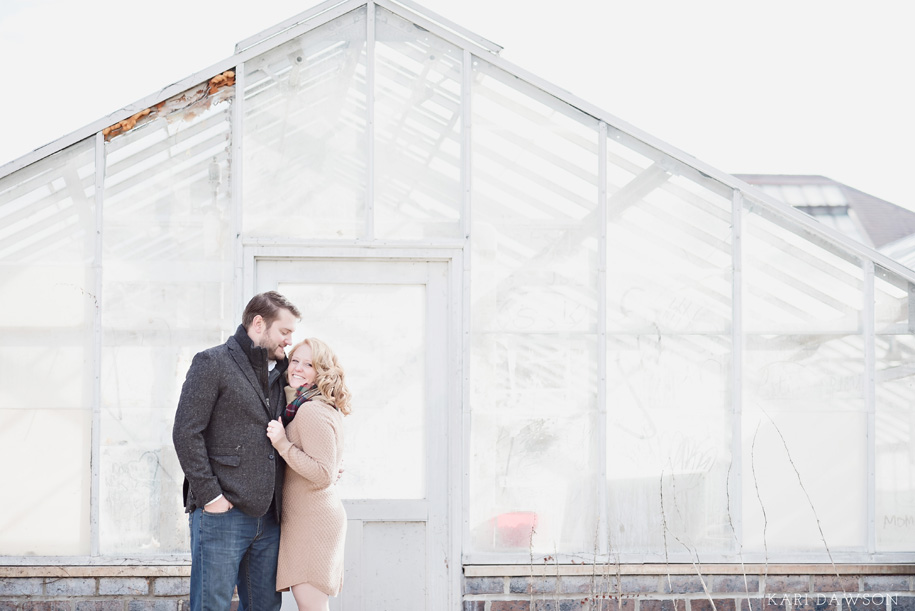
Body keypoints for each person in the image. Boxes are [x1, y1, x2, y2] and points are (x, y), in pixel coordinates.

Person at [173, 291, 300, 611]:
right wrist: (210, 496)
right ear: (259, 324)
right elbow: (186, 433)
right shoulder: (212, 362)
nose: (289, 341)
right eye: (285, 332)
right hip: (221, 513)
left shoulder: (286, 374)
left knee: (265, 606)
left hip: (270, 516)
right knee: (211, 605)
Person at [266, 338, 352, 611]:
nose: (298, 368)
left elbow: (324, 473)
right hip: (307, 519)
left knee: (312, 607)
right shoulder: (307, 405)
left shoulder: (311, 410)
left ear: (321, 371)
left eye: (309, 364)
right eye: (295, 361)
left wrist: (281, 444)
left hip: (314, 523)